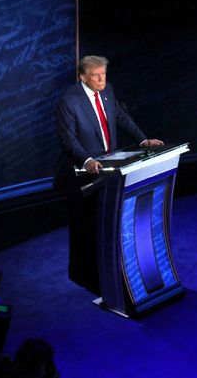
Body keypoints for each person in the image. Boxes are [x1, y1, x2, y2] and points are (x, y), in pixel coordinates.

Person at [55, 55, 163, 292]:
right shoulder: (69, 101)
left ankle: (107, 270)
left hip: (108, 169)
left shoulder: (108, 90)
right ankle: (82, 275)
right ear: (82, 77)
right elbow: (67, 139)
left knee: (105, 221)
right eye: (96, 75)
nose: (102, 79)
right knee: (84, 226)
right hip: (82, 173)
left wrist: (143, 140)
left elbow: (121, 118)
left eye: (104, 74)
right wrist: (87, 159)